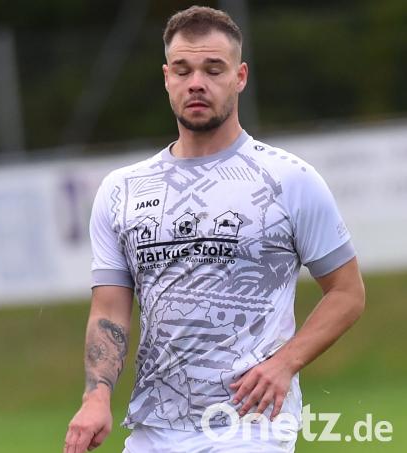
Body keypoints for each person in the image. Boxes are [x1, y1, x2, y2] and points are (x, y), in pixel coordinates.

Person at [64, 6, 365, 453]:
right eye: (183, 70)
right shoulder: (121, 190)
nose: (196, 83)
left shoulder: (289, 180)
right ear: (166, 77)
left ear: (240, 77)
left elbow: (347, 292)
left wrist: (285, 364)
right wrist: (96, 398)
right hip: (154, 428)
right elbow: (109, 309)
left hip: (251, 424)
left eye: (213, 69)